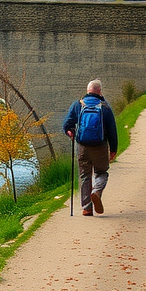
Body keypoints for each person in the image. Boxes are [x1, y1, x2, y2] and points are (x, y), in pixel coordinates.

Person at [63, 79, 118, 216]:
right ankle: (97, 191)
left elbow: (67, 124)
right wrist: (113, 149)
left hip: (82, 146)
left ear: (88, 91)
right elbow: (112, 130)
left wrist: (70, 132)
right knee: (101, 172)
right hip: (100, 145)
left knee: (84, 176)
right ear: (99, 91)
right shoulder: (105, 107)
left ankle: (87, 208)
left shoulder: (78, 105)